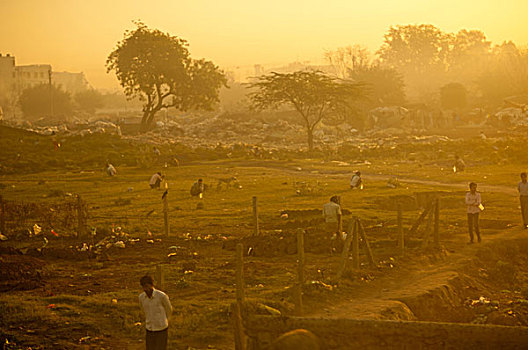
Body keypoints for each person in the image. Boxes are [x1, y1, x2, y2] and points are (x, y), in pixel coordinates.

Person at [139, 275, 172, 350]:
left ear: (151, 285)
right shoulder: (141, 297)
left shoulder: (161, 296)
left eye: (147, 286)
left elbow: (169, 309)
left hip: (161, 329)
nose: (145, 289)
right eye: (143, 287)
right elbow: (143, 310)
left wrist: (165, 321)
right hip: (149, 329)